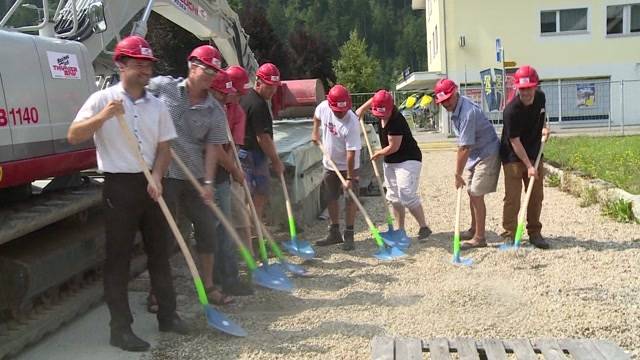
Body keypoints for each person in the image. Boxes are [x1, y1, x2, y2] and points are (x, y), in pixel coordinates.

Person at [67, 36, 187, 352]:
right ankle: (120, 330)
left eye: (148, 65)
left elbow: (165, 147)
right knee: (118, 259)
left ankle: (169, 315)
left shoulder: (158, 105)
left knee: (160, 253)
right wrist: (104, 116)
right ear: (121, 65)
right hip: (119, 186)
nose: (145, 70)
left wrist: (158, 176)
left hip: (151, 184)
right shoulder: (101, 99)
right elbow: (73, 134)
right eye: (138, 64)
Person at [147, 45, 242, 306]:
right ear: (192, 65)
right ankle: (158, 290)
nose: (211, 75)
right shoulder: (164, 88)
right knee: (165, 235)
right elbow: (137, 90)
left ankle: (209, 286)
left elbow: (213, 147)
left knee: (207, 231)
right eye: (207, 69)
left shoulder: (214, 110)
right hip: (165, 173)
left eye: (215, 71)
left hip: (196, 177)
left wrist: (209, 182)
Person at [434, 78, 500, 249]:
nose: (445, 104)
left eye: (447, 99)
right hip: (476, 153)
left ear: (455, 93)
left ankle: (480, 238)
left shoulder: (467, 112)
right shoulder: (457, 108)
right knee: (471, 192)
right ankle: (473, 229)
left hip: (487, 153)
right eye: (442, 101)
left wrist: (457, 174)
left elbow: (464, 147)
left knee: (476, 193)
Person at [357, 90, 432, 240]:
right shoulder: (380, 106)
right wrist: (362, 110)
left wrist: (378, 153)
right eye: (378, 113)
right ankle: (400, 230)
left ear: (391, 108)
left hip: (408, 158)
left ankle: (424, 227)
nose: (381, 116)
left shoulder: (396, 120)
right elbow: (373, 100)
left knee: (406, 194)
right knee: (393, 197)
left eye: (384, 113)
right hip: (391, 160)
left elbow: (394, 147)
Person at [208, 69, 253, 296]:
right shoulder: (208, 108)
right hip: (205, 176)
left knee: (225, 229)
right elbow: (213, 149)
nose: (234, 97)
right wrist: (234, 169)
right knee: (210, 231)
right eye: (232, 93)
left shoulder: (235, 111)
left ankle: (229, 279)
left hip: (222, 175)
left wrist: (234, 169)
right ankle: (213, 280)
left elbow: (230, 148)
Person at [500, 65, 550, 249]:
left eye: (529, 88)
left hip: (535, 152)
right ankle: (510, 234)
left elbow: (542, 116)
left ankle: (535, 233)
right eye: (522, 89)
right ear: (517, 89)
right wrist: (529, 166)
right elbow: (515, 141)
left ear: (535, 87)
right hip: (513, 156)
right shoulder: (511, 111)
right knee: (513, 197)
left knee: (536, 196)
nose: (526, 93)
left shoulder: (541, 97)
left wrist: (544, 128)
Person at [311, 85, 362, 251]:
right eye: (337, 111)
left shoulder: (352, 122)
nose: (341, 113)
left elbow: (351, 154)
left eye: (344, 110)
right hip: (329, 164)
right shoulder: (323, 107)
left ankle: (349, 234)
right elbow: (316, 117)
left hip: (349, 166)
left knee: (350, 199)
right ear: (330, 104)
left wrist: (349, 178)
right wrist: (315, 133)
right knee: (330, 198)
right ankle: (334, 232)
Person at [239, 63, 285, 223]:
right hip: (254, 155)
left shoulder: (246, 98)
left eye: (275, 86)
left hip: (243, 152)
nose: (273, 90)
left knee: (250, 196)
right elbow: (263, 138)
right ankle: (255, 231)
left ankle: (252, 231)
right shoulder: (258, 105)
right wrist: (276, 161)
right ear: (258, 82)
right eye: (269, 86)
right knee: (259, 194)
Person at [225, 65, 253, 257]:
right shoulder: (212, 105)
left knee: (241, 214)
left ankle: (249, 258)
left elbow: (234, 147)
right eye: (237, 93)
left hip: (230, 164)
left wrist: (233, 170)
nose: (239, 98)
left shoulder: (238, 112)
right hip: (205, 167)